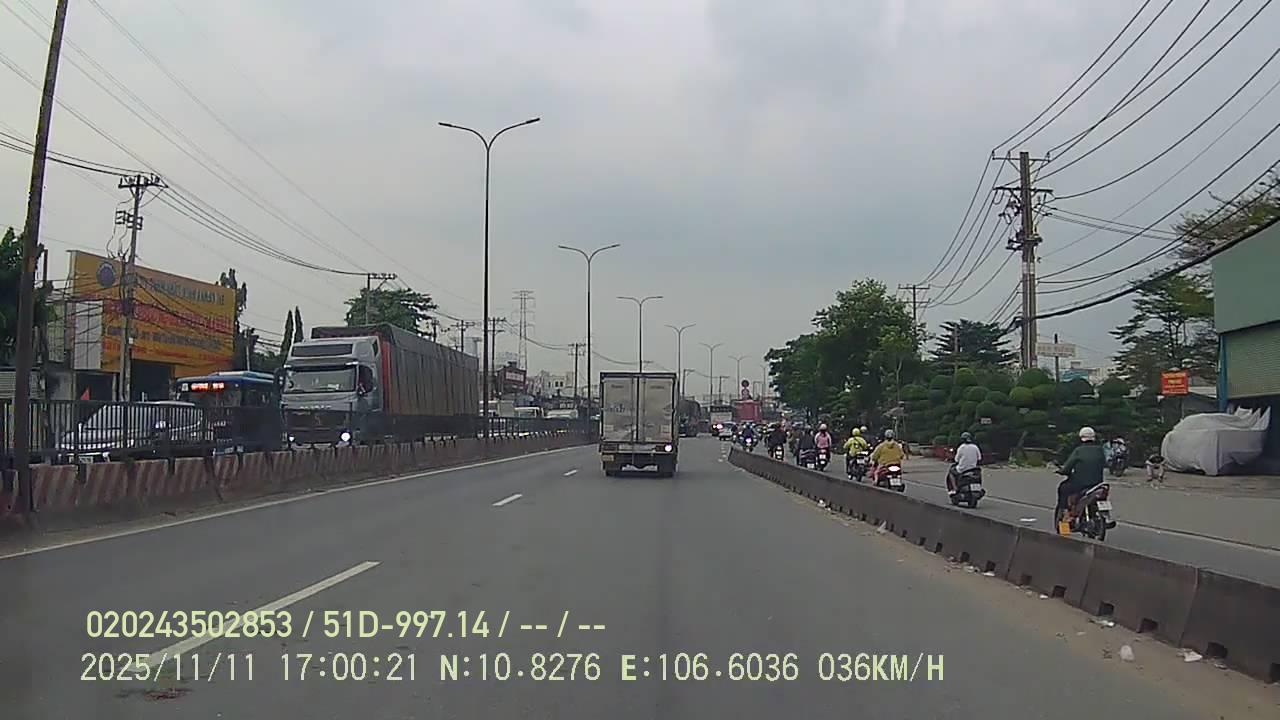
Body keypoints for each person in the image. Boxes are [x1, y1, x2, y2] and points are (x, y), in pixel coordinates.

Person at [1056, 426, 1106, 523]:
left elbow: (1068, 466)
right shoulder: (1099, 450)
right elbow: (1104, 463)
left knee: (1063, 488)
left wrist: (1062, 471)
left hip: (1080, 483)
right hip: (1097, 483)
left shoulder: (1079, 450)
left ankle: (1066, 514)